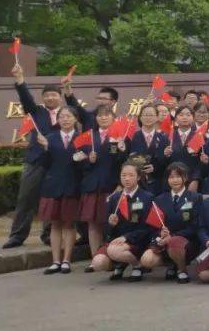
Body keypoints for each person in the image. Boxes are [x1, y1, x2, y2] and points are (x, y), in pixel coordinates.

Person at [4, 64, 59, 249]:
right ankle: (17, 236)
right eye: (48, 95)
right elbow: (25, 99)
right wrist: (20, 78)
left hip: (57, 164)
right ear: (43, 98)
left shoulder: (67, 115)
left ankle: (49, 234)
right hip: (35, 161)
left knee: (52, 201)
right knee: (26, 199)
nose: (51, 97)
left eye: (54, 95)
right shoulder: (36, 112)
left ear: (59, 98)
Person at [75, 104, 125, 272]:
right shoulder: (88, 136)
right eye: (99, 115)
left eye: (106, 115)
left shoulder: (119, 136)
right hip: (92, 185)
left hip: (112, 186)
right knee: (93, 224)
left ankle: (115, 257)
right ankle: (95, 258)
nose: (103, 118)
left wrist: (122, 150)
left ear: (113, 117)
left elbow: (123, 164)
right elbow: (77, 161)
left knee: (113, 223)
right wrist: (89, 159)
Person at [35, 105, 83, 274]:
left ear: (75, 119)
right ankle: (55, 261)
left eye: (69, 116)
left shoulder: (82, 139)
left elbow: (84, 167)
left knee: (69, 224)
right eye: (62, 116)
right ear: (58, 119)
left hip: (72, 186)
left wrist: (85, 158)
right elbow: (43, 164)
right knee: (55, 224)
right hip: (52, 186)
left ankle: (66, 261)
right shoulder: (49, 138)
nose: (65, 119)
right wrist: (45, 149)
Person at [89, 162, 154, 281]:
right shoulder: (114, 198)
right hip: (116, 242)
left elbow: (149, 228)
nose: (127, 179)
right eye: (123, 175)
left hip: (137, 241)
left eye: (131, 175)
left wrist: (126, 237)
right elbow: (106, 231)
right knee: (98, 263)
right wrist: (111, 225)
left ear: (138, 177)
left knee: (114, 251)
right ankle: (119, 264)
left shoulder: (147, 197)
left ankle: (137, 265)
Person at [139, 163, 202, 283]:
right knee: (147, 260)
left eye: (178, 176)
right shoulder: (159, 199)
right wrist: (160, 233)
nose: (175, 180)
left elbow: (196, 226)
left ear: (185, 178)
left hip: (187, 242)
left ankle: (181, 270)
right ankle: (171, 265)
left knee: (174, 242)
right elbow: (153, 225)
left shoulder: (195, 197)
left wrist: (172, 236)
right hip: (164, 241)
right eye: (171, 177)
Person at [128, 104, 169, 194]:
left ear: (157, 117)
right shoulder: (132, 137)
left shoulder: (164, 138)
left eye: (151, 115)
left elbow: (166, 161)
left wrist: (154, 167)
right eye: (145, 115)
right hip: (137, 183)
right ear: (140, 117)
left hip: (157, 183)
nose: (148, 118)